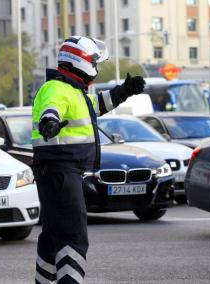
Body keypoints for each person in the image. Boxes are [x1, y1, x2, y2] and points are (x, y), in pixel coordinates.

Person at [32, 36, 145, 284]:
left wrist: (124, 91)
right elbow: (52, 107)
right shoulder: (58, 89)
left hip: (58, 173)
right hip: (62, 172)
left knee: (53, 235)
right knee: (74, 237)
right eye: (95, 62)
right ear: (81, 61)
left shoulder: (74, 92)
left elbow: (95, 106)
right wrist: (49, 121)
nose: (97, 67)